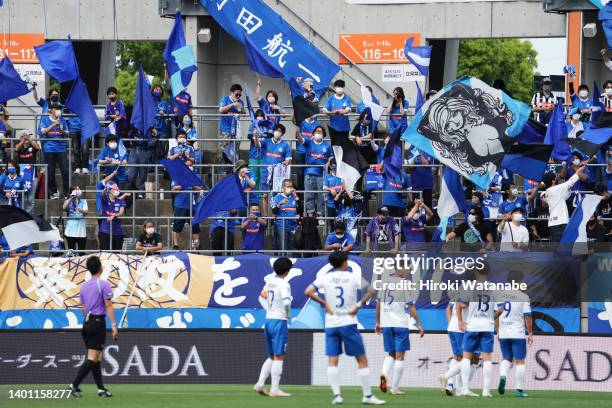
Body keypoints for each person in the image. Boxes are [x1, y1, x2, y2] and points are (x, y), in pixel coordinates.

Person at [305, 251, 385, 405]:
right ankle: (367, 396)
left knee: (333, 360)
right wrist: (358, 305)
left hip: (331, 323)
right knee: (361, 358)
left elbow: (308, 291)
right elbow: (371, 290)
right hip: (348, 322)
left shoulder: (325, 277)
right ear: (344, 263)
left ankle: (337, 396)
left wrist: (324, 303)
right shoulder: (353, 276)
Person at [67, 255, 116, 398]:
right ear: (100, 267)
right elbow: (108, 305)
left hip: (87, 323)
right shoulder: (104, 284)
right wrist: (114, 325)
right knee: (93, 357)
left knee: (96, 357)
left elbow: (83, 308)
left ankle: (101, 389)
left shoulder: (84, 286)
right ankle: (73, 385)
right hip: (97, 322)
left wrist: (89, 322)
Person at [376, 267, 424, 395]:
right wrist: (419, 324)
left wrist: (378, 322)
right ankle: (395, 388)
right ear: (398, 269)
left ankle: (384, 374)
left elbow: (378, 304)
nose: (408, 271)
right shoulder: (404, 284)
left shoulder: (384, 282)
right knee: (400, 356)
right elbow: (411, 306)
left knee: (391, 354)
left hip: (386, 324)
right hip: (400, 324)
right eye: (406, 269)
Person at [456, 263, 497, 397]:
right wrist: (491, 317)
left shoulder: (469, 286)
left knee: (466, 356)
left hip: (472, 324)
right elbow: (498, 310)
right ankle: (486, 390)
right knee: (487, 358)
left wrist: (461, 320)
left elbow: (462, 305)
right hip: (487, 325)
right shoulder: (494, 287)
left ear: (476, 273)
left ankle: (465, 388)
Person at [254, 257, 293, 397]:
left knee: (272, 356)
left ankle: (259, 384)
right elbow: (287, 302)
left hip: (269, 320)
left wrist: (269, 310)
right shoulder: (284, 285)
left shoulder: (269, 282)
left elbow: (261, 297)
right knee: (279, 356)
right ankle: (275, 389)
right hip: (279, 321)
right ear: (287, 271)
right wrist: (288, 316)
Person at [496, 270, 533, 398]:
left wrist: (498, 331)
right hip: (517, 333)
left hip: (504, 333)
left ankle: (503, 376)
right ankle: (519, 390)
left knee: (507, 358)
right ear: (519, 281)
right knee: (520, 361)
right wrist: (530, 333)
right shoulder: (523, 296)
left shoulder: (500, 295)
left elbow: (497, 314)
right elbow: (527, 317)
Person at [542, 165, 585, 242]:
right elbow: (571, 181)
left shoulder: (546, 193)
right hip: (560, 224)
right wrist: (580, 170)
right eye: (555, 177)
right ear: (553, 181)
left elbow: (565, 196)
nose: (557, 178)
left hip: (553, 225)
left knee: (557, 249)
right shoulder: (557, 189)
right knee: (564, 249)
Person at [255, 123, 291, 213]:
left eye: (280, 131)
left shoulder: (285, 145)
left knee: (276, 195)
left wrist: (283, 163)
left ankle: (275, 216)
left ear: (282, 133)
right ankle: (266, 218)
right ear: (273, 131)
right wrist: (255, 137)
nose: (277, 132)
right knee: (265, 195)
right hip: (265, 172)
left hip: (278, 175)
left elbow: (288, 160)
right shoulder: (267, 141)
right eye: (276, 130)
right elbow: (257, 145)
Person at [298, 125, 332, 215]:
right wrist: (297, 132)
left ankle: (320, 214)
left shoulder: (327, 146)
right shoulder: (309, 143)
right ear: (313, 134)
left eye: (320, 132)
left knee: (321, 195)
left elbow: (330, 158)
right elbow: (301, 140)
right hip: (309, 172)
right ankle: (310, 213)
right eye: (317, 131)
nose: (318, 133)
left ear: (323, 134)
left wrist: (328, 163)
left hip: (322, 173)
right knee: (309, 194)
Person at [171, 159, 202, 250]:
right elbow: (173, 188)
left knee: (195, 225)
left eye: (190, 166)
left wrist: (193, 185)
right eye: (187, 166)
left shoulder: (195, 176)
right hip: (180, 204)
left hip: (193, 205)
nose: (189, 167)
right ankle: (175, 245)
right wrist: (185, 184)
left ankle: (196, 245)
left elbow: (200, 188)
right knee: (177, 225)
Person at [40, 104, 69, 199]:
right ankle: (54, 192)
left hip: (61, 149)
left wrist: (61, 130)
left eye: (59, 109)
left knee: (65, 171)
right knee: (50, 172)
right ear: (51, 110)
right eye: (56, 108)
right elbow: (43, 132)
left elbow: (67, 134)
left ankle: (66, 193)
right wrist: (53, 124)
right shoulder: (45, 119)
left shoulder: (63, 120)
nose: (58, 110)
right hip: (49, 149)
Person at [15, 130, 41, 214]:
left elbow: (38, 148)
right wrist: (23, 140)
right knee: (20, 196)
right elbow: (16, 148)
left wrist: (29, 140)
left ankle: (28, 215)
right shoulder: (20, 146)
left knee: (30, 198)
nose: (27, 137)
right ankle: (20, 214)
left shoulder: (32, 146)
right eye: (25, 135)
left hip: (33, 175)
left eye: (28, 135)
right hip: (21, 176)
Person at [271, 179, 299, 252]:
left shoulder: (294, 197)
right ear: (283, 187)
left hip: (293, 225)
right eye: (288, 186)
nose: (290, 188)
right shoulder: (277, 197)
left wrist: (296, 196)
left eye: (291, 186)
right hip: (282, 225)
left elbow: (300, 209)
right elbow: (273, 211)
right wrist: (279, 204)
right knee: (283, 247)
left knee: (294, 247)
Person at [247, 110, 273, 191]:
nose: (260, 117)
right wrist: (254, 137)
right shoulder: (252, 125)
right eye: (258, 116)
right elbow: (249, 136)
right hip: (253, 154)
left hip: (264, 155)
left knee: (263, 175)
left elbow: (271, 135)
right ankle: (254, 195)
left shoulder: (267, 125)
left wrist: (261, 135)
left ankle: (262, 194)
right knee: (254, 175)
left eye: (261, 115)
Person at [218, 84, 244, 163]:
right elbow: (221, 110)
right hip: (225, 129)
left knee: (235, 149)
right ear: (231, 93)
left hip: (236, 130)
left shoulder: (240, 101)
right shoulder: (225, 99)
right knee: (225, 149)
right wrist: (232, 104)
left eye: (240, 94)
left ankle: (233, 167)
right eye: (237, 94)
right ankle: (225, 167)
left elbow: (244, 113)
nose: (238, 96)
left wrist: (241, 109)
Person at [296, 115, 323, 191]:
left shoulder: (317, 123)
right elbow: (294, 120)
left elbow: (318, 136)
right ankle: (301, 194)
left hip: (311, 152)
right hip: (300, 151)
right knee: (300, 173)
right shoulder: (301, 121)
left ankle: (310, 192)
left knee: (310, 173)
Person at [98, 179, 126, 251]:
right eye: (114, 189)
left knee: (116, 254)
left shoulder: (121, 201)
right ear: (109, 190)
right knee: (104, 253)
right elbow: (102, 194)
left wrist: (114, 216)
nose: (116, 190)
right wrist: (106, 186)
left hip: (117, 231)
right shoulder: (105, 199)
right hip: (105, 230)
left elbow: (121, 213)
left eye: (117, 189)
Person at [63, 185, 88, 254]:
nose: (78, 190)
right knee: (71, 253)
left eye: (79, 189)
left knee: (82, 253)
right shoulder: (68, 200)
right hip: (70, 231)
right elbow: (64, 207)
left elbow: (86, 212)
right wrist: (71, 198)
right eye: (76, 189)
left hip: (81, 231)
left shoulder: (83, 201)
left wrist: (80, 209)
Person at [323, 159, 346, 229]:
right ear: (330, 166)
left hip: (341, 205)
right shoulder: (327, 177)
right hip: (331, 205)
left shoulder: (343, 175)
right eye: (333, 164)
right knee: (332, 227)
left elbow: (345, 187)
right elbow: (324, 188)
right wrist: (331, 189)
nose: (335, 166)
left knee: (341, 226)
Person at [66, 106, 88, 175]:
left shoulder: (84, 102)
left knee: (85, 149)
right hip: (73, 129)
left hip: (85, 128)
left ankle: (85, 167)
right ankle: (77, 167)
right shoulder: (71, 100)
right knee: (75, 149)